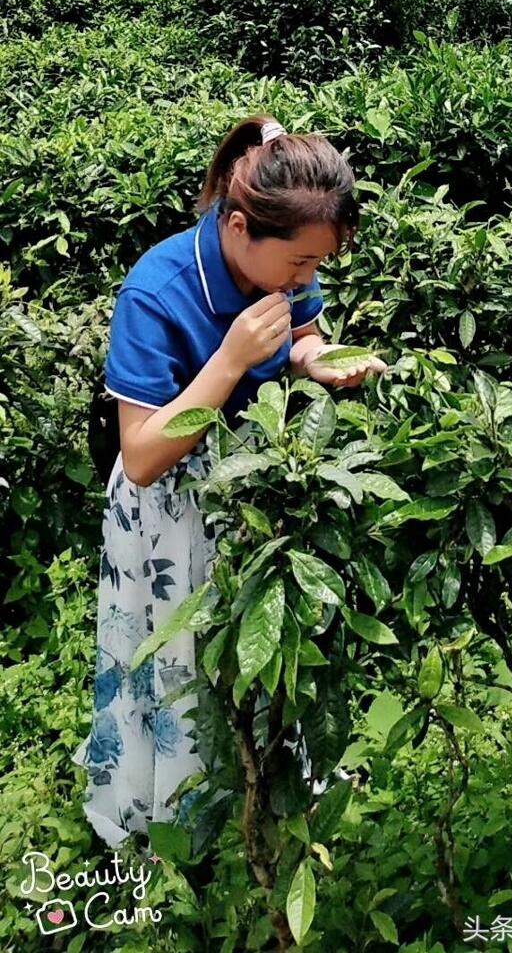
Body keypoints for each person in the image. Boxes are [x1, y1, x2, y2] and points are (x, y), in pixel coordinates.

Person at [73, 116, 387, 848]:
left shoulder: (284, 265)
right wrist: (232, 359)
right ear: (241, 226)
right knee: (179, 668)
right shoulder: (155, 290)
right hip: (168, 514)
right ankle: (174, 825)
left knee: (260, 656)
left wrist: (317, 359)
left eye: (319, 266)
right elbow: (144, 453)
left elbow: (303, 328)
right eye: (301, 262)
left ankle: (267, 797)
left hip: (251, 490)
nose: (307, 279)